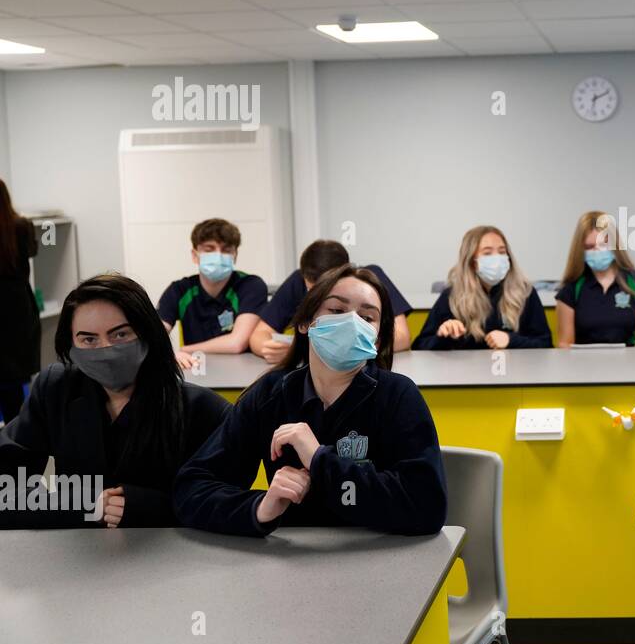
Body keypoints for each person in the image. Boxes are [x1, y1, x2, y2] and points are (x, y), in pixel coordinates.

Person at [173, 264, 447, 537]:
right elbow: (191, 490)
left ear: (377, 340)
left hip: (379, 562)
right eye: (337, 311)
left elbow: (426, 508)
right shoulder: (271, 395)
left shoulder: (398, 395)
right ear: (304, 323)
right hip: (290, 565)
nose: (352, 322)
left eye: (367, 317)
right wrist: (259, 508)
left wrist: (319, 460)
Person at [0, 274, 230, 528]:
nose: (105, 349)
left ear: (147, 334)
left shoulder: (200, 409)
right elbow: (6, 490)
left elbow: (228, 503)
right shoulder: (54, 390)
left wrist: (149, 506)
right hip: (78, 557)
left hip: (173, 558)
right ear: (71, 345)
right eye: (89, 339)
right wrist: (90, 504)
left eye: (120, 335)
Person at [251, 239, 413, 362]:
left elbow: (402, 337)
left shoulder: (370, 280)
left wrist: (356, 347)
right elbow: (258, 335)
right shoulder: (297, 281)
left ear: (346, 273)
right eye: (312, 290)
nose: (319, 298)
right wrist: (270, 348)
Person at [412, 225, 551, 350]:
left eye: (502, 252)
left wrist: (511, 340)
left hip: (517, 374)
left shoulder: (525, 293)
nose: (497, 258)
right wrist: (443, 336)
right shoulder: (452, 296)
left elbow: (545, 343)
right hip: (465, 375)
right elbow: (419, 345)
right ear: (472, 261)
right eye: (487, 253)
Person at [156, 218, 267, 369]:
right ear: (195, 255)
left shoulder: (251, 285)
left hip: (244, 374)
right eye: (209, 249)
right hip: (196, 370)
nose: (219, 256)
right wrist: (168, 353)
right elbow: (154, 333)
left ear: (235, 255)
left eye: (226, 250)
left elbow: (236, 343)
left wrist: (184, 350)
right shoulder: (180, 290)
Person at [555, 211, 635, 347]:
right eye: (590, 247)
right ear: (580, 249)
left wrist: (633, 365)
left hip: (630, 364)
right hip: (583, 365)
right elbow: (565, 343)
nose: (597, 251)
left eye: (603, 245)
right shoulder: (570, 289)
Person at [0, 179, 39, 424]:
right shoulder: (21, 225)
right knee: (14, 383)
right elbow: (34, 250)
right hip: (17, 309)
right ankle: (17, 443)